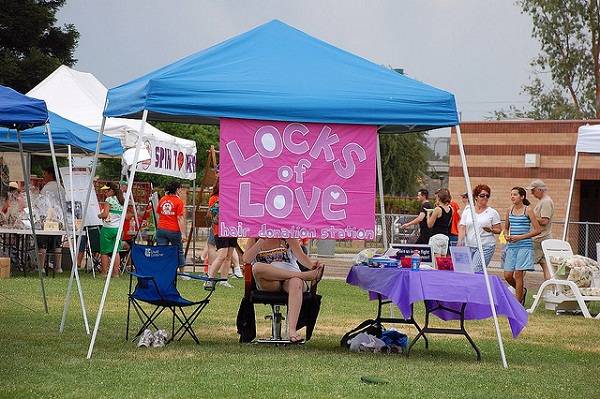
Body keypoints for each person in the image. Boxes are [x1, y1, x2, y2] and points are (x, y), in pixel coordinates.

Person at [242, 237, 324, 343]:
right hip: (269, 281)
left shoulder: (287, 235)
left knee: (296, 282)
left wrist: (313, 267)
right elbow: (246, 259)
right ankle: (303, 276)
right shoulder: (255, 236)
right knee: (257, 267)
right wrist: (262, 238)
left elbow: (301, 256)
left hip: (289, 277)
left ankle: (292, 331)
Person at [503, 187, 542, 305]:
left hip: (524, 246)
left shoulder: (528, 210)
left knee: (518, 274)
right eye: (511, 194)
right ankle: (522, 291)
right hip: (512, 246)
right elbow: (505, 228)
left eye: (515, 194)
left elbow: (537, 230)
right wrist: (506, 235)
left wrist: (520, 237)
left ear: (522, 197)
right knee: (508, 275)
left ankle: (517, 304)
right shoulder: (509, 209)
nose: (512, 197)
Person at [458, 184, 502, 272]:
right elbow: (462, 227)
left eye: (487, 196)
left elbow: (499, 230)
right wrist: (460, 241)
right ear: (476, 197)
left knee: (476, 269)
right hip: (469, 245)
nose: (485, 197)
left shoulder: (492, 212)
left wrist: (491, 230)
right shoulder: (468, 211)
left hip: (485, 246)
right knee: (466, 270)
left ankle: (476, 285)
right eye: (482, 195)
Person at [205, 178, 237, 288]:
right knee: (222, 255)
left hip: (233, 229)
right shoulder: (214, 198)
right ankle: (209, 279)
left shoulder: (234, 196)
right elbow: (213, 217)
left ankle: (224, 279)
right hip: (220, 230)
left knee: (228, 256)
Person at [155, 181, 187, 273]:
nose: (181, 190)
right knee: (178, 251)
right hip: (174, 230)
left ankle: (161, 270)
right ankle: (182, 272)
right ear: (177, 189)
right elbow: (179, 218)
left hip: (161, 229)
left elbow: (158, 214)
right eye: (180, 188)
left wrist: (159, 227)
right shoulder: (179, 201)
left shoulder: (162, 199)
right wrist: (183, 234)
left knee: (161, 251)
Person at [38, 167, 65, 273]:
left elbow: (40, 204)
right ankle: (58, 267)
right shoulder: (61, 188)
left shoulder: (46, 188)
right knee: (57, 243)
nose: (43, 176)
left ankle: (41, 267)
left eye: (44, 173)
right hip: (59, 220)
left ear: (50, 174)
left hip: (47, 219)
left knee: (42, 243)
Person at [527, 179, 554, 280]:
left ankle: (517, 288)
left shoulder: (546, 202)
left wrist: (531, 216)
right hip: (541, 239)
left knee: (523, 264)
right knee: (546, 266)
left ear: (539, 190)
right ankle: (552, 289)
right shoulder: (542, 202)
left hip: (539, 239)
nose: (532, 193)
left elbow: (544, 221)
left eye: (533, 190)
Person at [98, 182, 124, 276]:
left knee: (104, 251)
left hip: (108, 229)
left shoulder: (109, 200)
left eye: (106, 191)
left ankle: (104, 272)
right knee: (116, 251)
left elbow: (105, 215)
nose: (105, 193)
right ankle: (116, 273)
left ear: (111, 191)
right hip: (118, 229)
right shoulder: (122, 200)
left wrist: (99, 215)